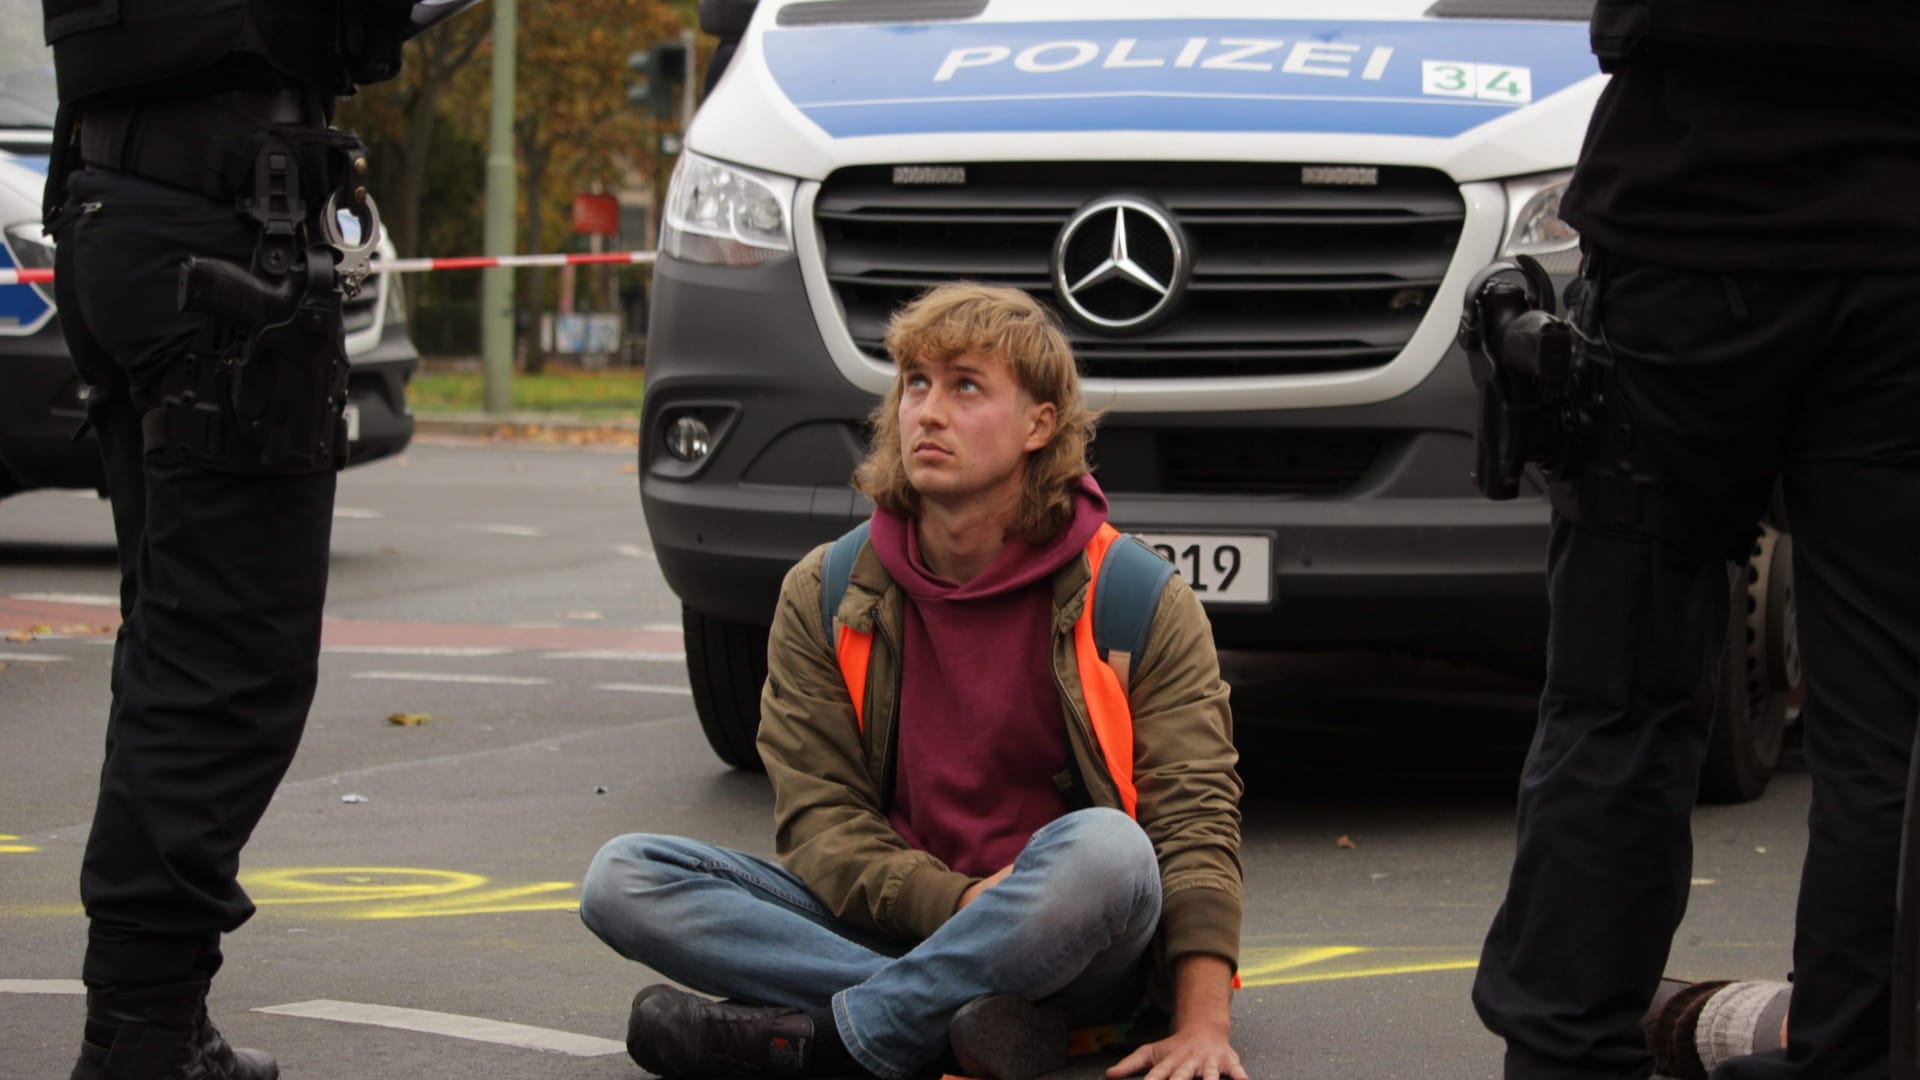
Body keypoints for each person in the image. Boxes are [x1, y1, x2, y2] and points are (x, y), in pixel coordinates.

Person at [579, 282, 1247, 1080]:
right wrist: (958, 904)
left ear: (1040, 423)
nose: (927, 411)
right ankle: (967, 1023)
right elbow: (822, 827)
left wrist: (1203, 1024)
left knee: (1110, 851)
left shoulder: (1136, 597)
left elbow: (1195, 822)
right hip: (894, 920)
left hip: (1077, 943)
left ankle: (833, 1038)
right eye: (916, 383)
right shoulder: (824, 592)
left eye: (966, 386)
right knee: (624, 877)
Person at [1469, 3, 1920, 1079]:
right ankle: (1858, 1049)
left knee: (1619, 692)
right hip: (1897, 242)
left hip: (1687, 221)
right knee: (1887, 733)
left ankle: (1568, 1050)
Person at [40, 3, 469, 1077]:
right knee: (223, 667)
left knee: (173, 641)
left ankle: (158, 1020)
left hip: (120, 209)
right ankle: (139, 1034)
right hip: (217, 229)